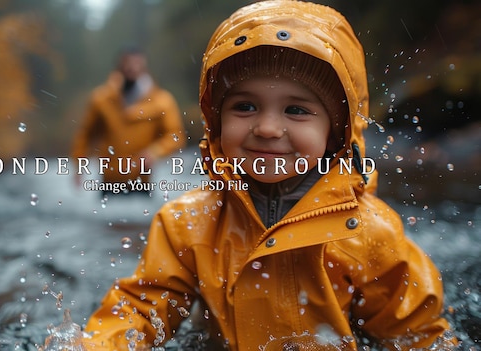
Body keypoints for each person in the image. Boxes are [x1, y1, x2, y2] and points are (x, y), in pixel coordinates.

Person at [60, 1, 457, 350]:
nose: (267, 127)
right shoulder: (186, 225)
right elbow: (142, 309)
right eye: (245, 106)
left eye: (296, 110)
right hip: (114, 174)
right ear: (216, 123)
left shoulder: (368, 233)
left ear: (335, 132)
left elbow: (416, 333)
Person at [70, 46, 185, 194]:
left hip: (142, 181)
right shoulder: (101, 99)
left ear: (145, 67)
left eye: (137, 64)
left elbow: (176, 136)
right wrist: (79, 167)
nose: (132, 68)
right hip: (109, 181)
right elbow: (85, 135)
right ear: (119, 67)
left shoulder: (162, 101)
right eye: (128, 64)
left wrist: (153, 153)